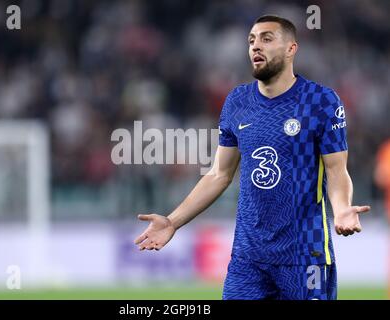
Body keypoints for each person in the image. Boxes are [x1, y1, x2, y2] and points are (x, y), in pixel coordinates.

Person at [134, 15, 370, 300]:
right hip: (249, 259)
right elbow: (219, 174)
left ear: (291, 48)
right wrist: (172, 222)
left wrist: (342, 208)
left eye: (267, 39)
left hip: (306, 254)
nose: (256, 46)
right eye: (251, 40)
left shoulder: (321, 101)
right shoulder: (237, 102)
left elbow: (336, 170)